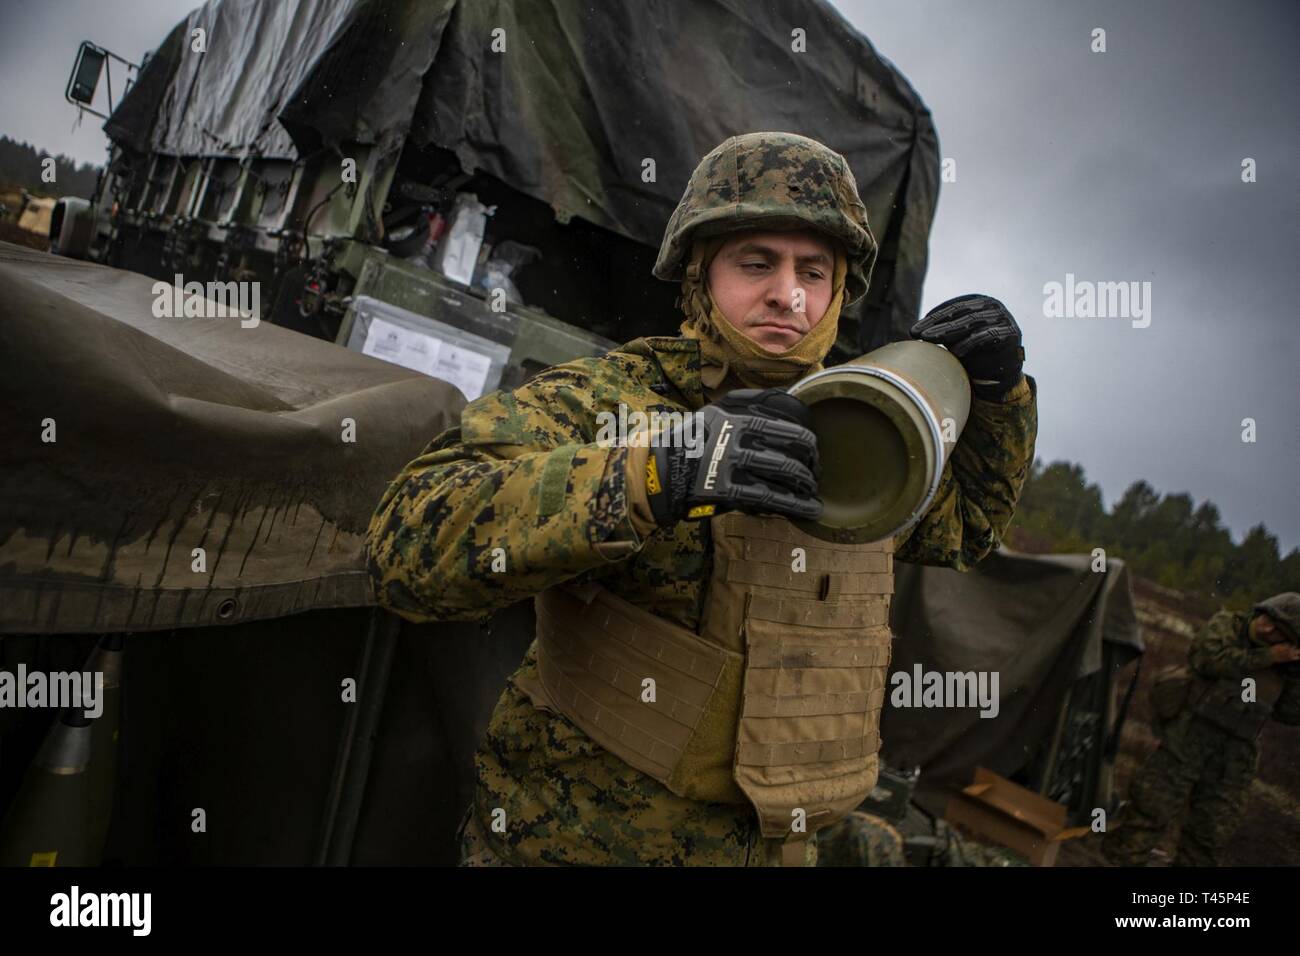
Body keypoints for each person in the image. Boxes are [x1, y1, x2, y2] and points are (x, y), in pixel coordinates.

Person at [366, 131, 1038, 866]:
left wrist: (1001, 401)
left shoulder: (864, 432)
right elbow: (406, 549)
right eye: (757, 264)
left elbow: (964, 529)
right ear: (699, 274)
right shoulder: (613, 401)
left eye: (816, 272)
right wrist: (652, 475)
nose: (790, 295)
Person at [1103, 592, 1300, 866]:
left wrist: (1294, 674)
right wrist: (1267, 656)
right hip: (1189, 734)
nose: (1267, 628)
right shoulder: (1227, 625)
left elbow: (1290, 713)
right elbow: (1209, 660)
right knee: (1150, 810)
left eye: (1279, 631)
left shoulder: (1286, 667)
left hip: (1234, 755)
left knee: (1210, 832)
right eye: (1267, 619)